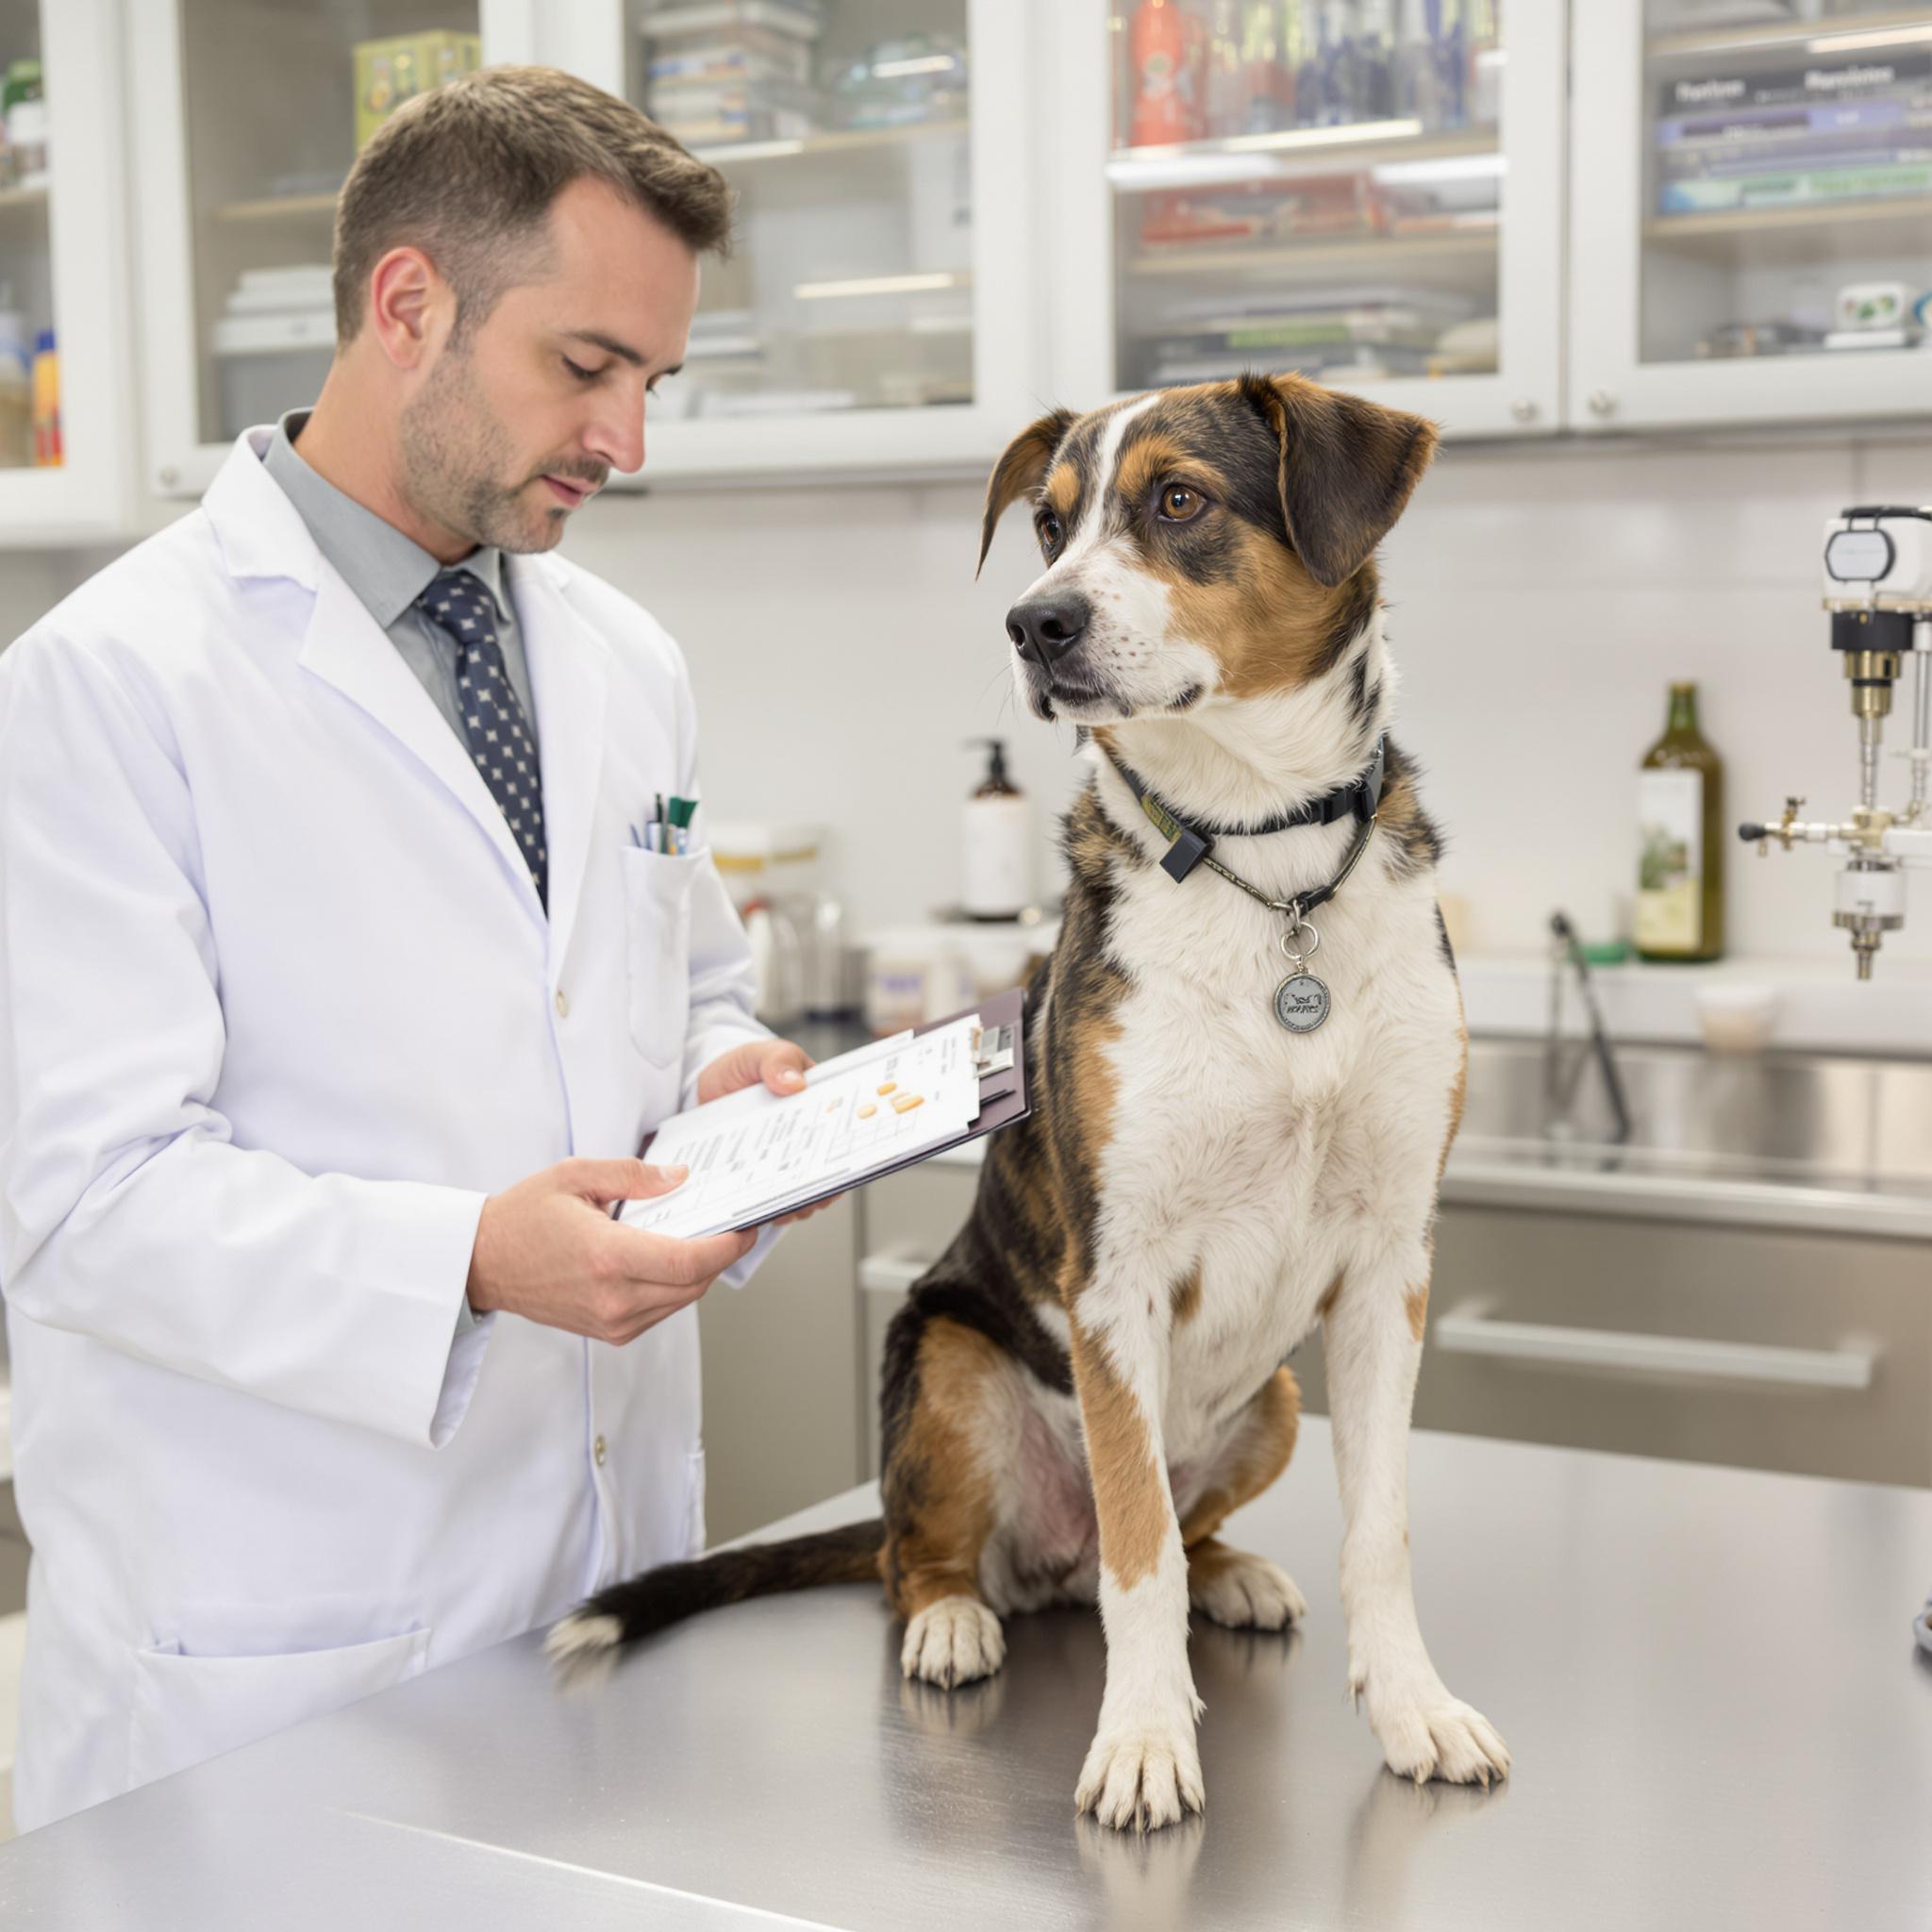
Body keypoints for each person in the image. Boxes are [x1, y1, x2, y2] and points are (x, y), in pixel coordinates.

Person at [0, 66, 813, 1831]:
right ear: (406, 305)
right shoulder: (105, 687)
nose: (627, 440)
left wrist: (732, 1088)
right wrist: (465, 1261)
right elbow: (78, 1201)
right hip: (278, 1673)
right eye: (586, 367)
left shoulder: (622, 658)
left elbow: (673, 991)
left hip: (603, 1603)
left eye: (653, 382)